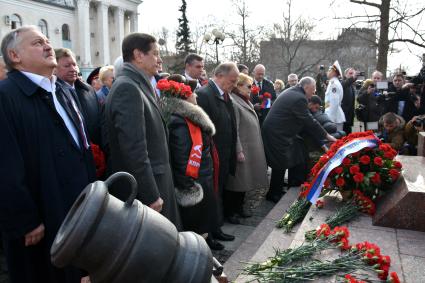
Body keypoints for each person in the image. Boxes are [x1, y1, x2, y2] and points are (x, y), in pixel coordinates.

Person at [0, 25, 95, 283]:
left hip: (78, 210)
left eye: (47, 40)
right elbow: (5, 164)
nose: (48, 45)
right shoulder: (6, 96)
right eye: (37, 42)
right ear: (15, 56)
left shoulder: (63, 90)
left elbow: (81, 145)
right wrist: (25, 219)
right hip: (41, 220)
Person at [104, 33, 181, 228]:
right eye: (155, 53)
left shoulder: (137, 84)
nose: (160, 59)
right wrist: (151, 194)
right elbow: (134, 148)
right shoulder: (127, 88)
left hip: (157, 180)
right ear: (138, 55)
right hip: (148, 189)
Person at [162, 74, 222, 250]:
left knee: (203, 220)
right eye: (193, 92)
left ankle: (206, 241)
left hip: (201, 175)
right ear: (184, 96)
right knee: (196, 225)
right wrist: (188, 186)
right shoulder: (180, 121)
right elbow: (182, 157)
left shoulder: (185, 117)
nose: (196, 95)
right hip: (194, 179)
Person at [262, 77, 336, 203]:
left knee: (281, 161)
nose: (314, 93)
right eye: (313, 90)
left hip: (277, 131)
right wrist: (327, 136)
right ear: (306, 87)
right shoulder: (299, 98)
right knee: (279, 163)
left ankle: (277, 189)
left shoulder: (294, 91)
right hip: (277, 133)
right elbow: (309, 121)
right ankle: (273, 194)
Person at [197, 62, 238, 242]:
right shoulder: (204, 95)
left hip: (223, 153)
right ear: (219, 76)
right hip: (212, 156)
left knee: (219, 192)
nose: (234, 84)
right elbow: (203, 129)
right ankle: (210, 234)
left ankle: (217, 228)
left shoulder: (225, 94)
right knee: (211, 195)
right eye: (232, 80)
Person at [227, 73, 269, 223]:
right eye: (248, 86)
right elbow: (235, 129)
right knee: (238, 183)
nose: (251, 89)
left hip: (249, 147)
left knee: (244, 183)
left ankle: (239, 208)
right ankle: (232, 212)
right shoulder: (234, 101)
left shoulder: (243, 100)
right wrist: (238, 150)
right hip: (243, 148)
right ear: (238, 86)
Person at [54, 48, 102, 146]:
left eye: (74, 64)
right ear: (54, 69)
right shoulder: (51, 94)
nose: (73, 69)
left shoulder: (89, 91)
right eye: (67, 66)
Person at [324, 60, 345, 131]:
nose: (327, 72)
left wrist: (330, 120)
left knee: (335, 140)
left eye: (329, 70)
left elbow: (334, 102)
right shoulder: (333, 83)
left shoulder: (334, 84)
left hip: (334, 118)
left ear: (333, 72)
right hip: (333, 116)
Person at [341, 67, 357, 134]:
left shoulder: (351, 86)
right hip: (344, 116)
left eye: (353, 74)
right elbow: (344, 84)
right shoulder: (342, 83)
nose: (352, 75)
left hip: (350, 116)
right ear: (345, 75)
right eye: (350, 73)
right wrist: (352, 78)